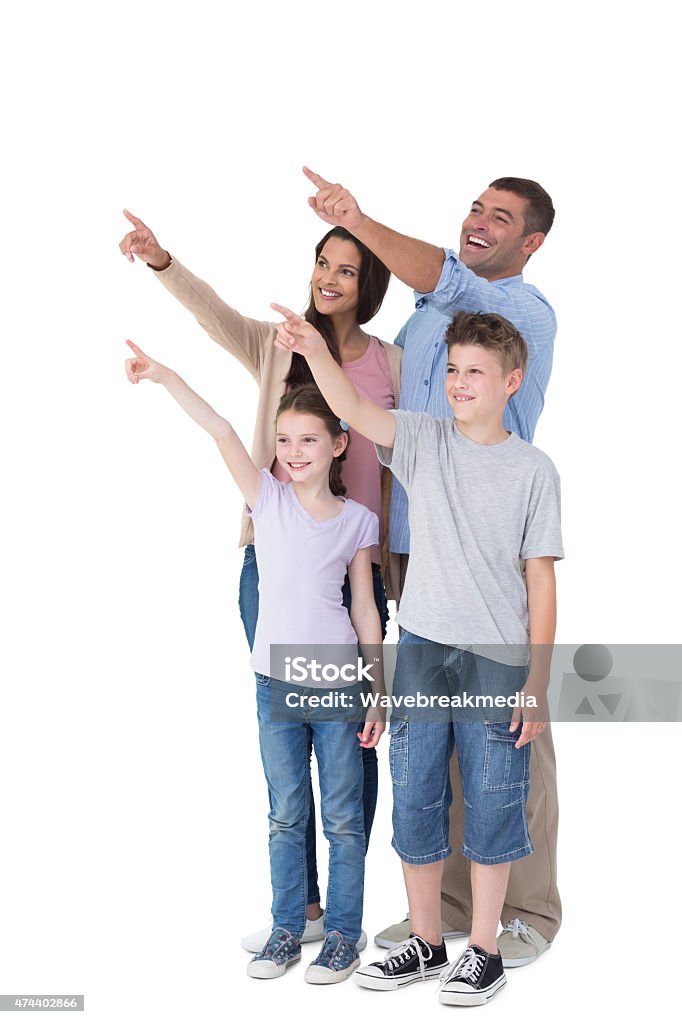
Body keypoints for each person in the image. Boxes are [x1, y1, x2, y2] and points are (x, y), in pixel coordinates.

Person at [119, 214, 401, 951]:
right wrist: (161, 260)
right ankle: (300, 911)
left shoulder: (391, 364)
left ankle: (343, 907)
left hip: (356, 554)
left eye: (346, 270)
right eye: (322, 263)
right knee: (286, 731)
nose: (328, 279)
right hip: (273, 556)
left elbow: (418, 445)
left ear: (368, 285)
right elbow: (212, 320)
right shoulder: (279, 342)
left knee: (349, 748)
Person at [303, 168, 560, 966]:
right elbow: (382, 421)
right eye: (476, 208)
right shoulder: (425, 320)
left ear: (531, 241)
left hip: (496, 548)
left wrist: (358, 218)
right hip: (418, 546)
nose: (481, 222)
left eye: (502, 217)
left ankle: (526, 910)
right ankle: (445, 909)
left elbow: (440, 274)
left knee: (514, 733)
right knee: (436, 739)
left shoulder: (520, 309)